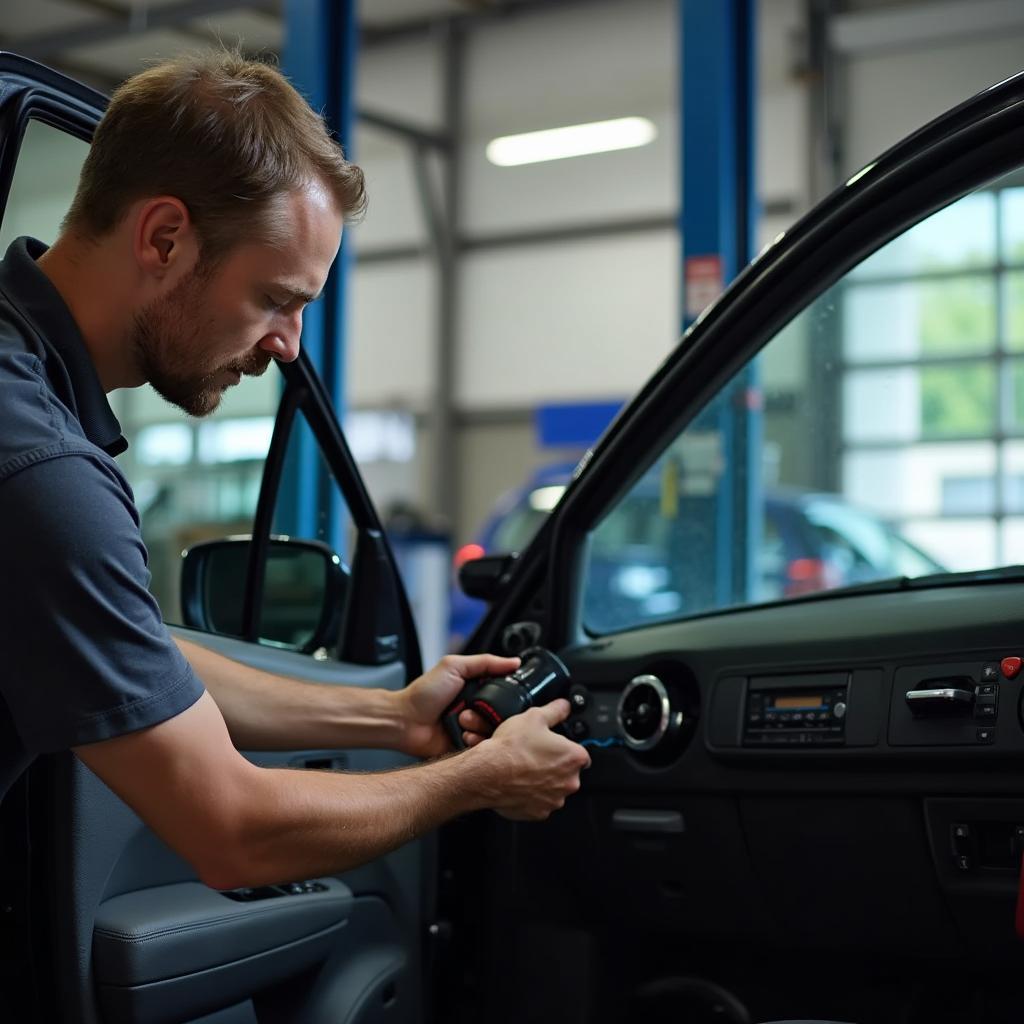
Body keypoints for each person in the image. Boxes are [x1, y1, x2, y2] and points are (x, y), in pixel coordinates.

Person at [0, 50, 589, 891]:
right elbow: (231, 830)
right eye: (277, 298)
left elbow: (125, 651)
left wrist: (392, 716)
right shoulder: (39, 470)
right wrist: (476, 780)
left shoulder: (25, 400)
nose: (288, 345)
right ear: (163, 238)